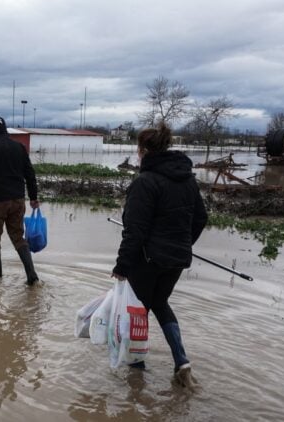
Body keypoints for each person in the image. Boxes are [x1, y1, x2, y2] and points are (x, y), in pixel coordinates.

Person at [111, 122, 207, 388]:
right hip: (176, 260)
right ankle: (181, 362)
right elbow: (200, 218)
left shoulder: (145, 182)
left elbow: (135, 231)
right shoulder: (187, 179)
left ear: (143, 150)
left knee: (137, 311)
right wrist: (182, 244)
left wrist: (122, 265)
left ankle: (137, 372)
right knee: (160, 302)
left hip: (148, 260)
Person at [0, 116, 40, 285]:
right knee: (19, 238)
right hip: (18, 201)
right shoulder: (19, 147)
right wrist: (33, 197)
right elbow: (30, 174)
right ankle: (31, 275)